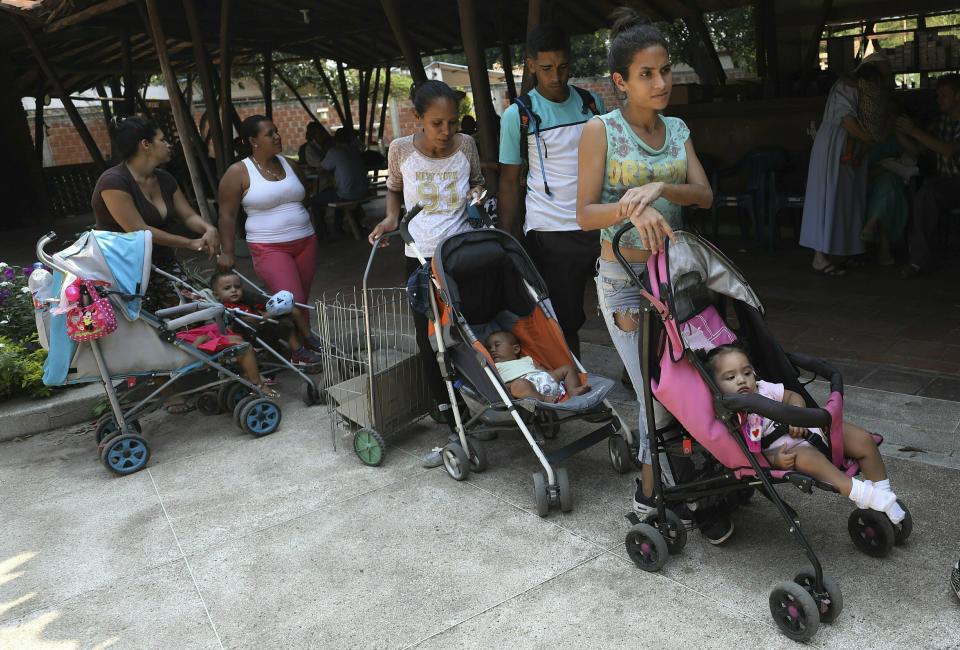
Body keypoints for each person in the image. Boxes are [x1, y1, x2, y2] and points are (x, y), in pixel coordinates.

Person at [575, 9, 732, 544]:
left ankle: (666, 489)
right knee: (658, 391)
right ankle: (665, 491)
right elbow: (584, 214)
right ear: (620, 82)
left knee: (694, 383)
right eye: (647, 74)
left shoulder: (678, 130)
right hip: (624, 280)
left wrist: (661, 188)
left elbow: (705, 194)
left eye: (665, 70)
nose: (661, 82)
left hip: (681, 279)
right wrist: (628, 208)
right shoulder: (602, 131)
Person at [368, 80, 484, 468]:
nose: (446, 131)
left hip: (463, 255)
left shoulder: (466, 145)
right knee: (430, 338)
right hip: (420, 257)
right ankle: (448, 411)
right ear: (416, 118)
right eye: (436, 123)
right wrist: (388, 219)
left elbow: (478, 185)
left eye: (452, 122)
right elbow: (395, 191)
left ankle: (483, 399)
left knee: (471, 330)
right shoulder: (400, 150)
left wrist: (477, 199)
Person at [701, 344, 906, 524]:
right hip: (792, 450)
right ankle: (863, 494)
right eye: (730, 377)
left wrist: (796, 413)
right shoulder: (734, 418)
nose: (741, 380)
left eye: (746, 373)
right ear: (715, 386)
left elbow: (792, 396)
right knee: (809, 459)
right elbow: (749, 455)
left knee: (863, 439)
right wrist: (775, 459)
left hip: (815, 429)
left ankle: (884, 494)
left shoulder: (764, 389)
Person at [498, 22, 605, 359]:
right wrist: (506, 237)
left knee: (625, 306)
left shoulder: (592, 104)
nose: (556, 76)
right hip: (551, 231)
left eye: (562, 67)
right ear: (530, 65)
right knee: (564, 316)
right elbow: (509, 181)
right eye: (546, 69)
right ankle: (573, 385)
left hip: (599, 224)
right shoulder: (519, 116)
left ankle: (637, 376)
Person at [217, 114, 323, 364]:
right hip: (269, 246)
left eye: (276, 131)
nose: (277, 136)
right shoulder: (239, 172)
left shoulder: (289, 164)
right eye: (269, 133)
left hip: (305, 241)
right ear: (253, 140)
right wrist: (228, 251)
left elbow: (305, 197)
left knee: (302, 303)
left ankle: (305, 346)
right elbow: (227, 215)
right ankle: (300, 352)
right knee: (290, 300)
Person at [92, 116, 220, 311]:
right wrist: (190, 243)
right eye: (162, 140)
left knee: (192, 314)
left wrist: (208, 229)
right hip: (125, 269)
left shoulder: (165, 179)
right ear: (145, 145)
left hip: (162, 261)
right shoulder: (113, 181)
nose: (169, 145)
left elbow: (188, 216)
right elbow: (138, 230)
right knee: (152, 324)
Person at [800, 53, 893, 277]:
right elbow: (845, 118)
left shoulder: (868, 88)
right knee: (829, 197)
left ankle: (843, 252)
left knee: (848, 199)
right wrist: (866, 138)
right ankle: (819, 257)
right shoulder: (847, 86)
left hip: (851, 145)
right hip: (835, 144)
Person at [896, 73, 960, 279]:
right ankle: (919, 260)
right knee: (925, 193)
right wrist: (897, 129)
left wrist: (914, 131)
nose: (939, 99)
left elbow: (950, 150)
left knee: (930, 190)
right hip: (946, 184)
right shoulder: (940, 122)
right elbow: (918, 149)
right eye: (938, 95)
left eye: (944, 95)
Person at [206, 270, 320, 367]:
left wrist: (273, 308)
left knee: (294, 311)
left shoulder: (246, 297)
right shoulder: (227, 308)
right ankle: (298, 352)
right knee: (285, 324)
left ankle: (309, 338)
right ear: (217, 295)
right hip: (254, 334)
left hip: (265, 324)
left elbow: (264, 303)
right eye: (227, 288)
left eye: (237, 287)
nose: (233, 290)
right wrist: (268, 314)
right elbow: (248, 320)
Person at [485, 331, 588, 402]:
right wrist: (511, 386)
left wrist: (550, 375)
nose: (492, 350)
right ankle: (543, 399)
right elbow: (500, 384)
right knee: (519, 385)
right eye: (489, 348)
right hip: (527, 389)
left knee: (567, 368)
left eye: (497, 345)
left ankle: (573, 390)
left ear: (516, 349)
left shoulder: (526, 359)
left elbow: (540, 369)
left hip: (545, 380)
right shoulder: (495, 366)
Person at [313, 127, 369, 237]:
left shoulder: (334, 152)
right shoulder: (355, 150)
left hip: (347, 193)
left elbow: (321, 168)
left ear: (336, 139)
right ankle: (338, 227)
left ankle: (323, 234)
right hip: (363, 191)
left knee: (316, 201)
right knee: (338, 193)